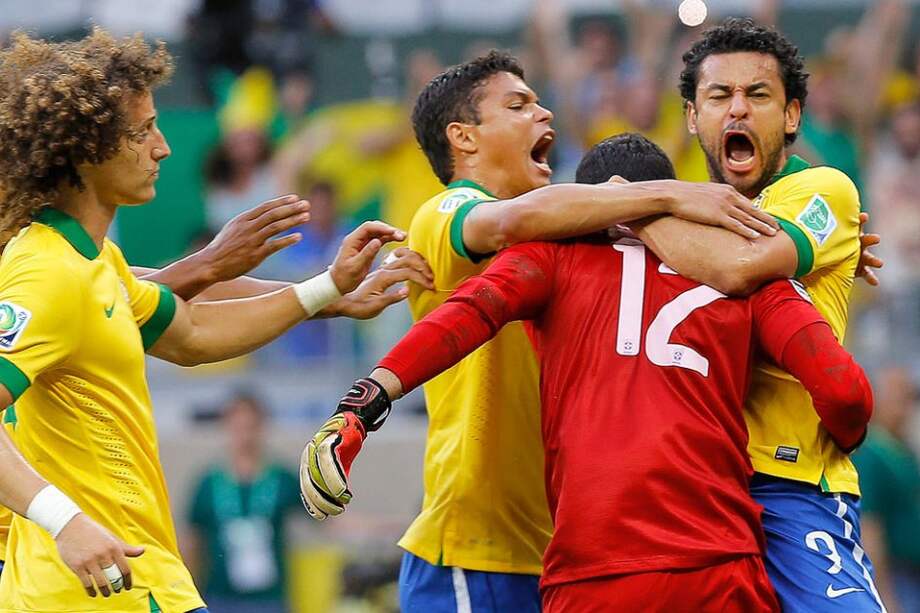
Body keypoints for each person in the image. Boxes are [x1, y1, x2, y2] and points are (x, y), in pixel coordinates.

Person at [302, 133, 874, 611]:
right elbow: (844, 392)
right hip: (718, 564)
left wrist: (367, 398)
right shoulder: (742, 275)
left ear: (590, 202)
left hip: (592, 573)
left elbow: (464, 317)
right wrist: (837, 440)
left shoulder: (549, 255)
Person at [0, 28, 408, 613]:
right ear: (86, 152)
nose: (162, 148)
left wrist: (325, 289)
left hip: (131, 574)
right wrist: (65, 522)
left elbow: (191, 335)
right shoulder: (48, 273)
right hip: (93, 587)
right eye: (141, 133)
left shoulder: (95, 264)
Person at [597, 19, 886, 610]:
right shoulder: (687, 214)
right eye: (719, 96)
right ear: (691, 117)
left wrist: (636, 210)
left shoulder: (823, 190)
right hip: (694, 485)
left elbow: (739, 266)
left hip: (793, 485)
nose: (737, 111)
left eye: (758, 95)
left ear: (791, 115)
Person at [187, 394, 302, 613]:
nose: (245, 435)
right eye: (238, 426)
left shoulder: (281, 477)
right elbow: (192, 541)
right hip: (219, 598)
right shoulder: (209, 482)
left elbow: (328, 519)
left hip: (270, 600)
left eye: (251, 426)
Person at [853, 368, 920, 613]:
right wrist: (883, 590)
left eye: (909, 400)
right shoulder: (871, 453)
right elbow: (870, 525)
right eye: (897, 399)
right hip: (896, 574)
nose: (905, 409)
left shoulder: (904, 451)